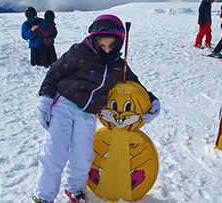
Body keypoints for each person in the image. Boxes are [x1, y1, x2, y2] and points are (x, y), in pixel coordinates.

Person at [32, 14, 161, 203]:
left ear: (119, 43)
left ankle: (75, 188)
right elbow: (55, 71)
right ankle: (44, 196)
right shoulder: (80, 52)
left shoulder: (118, 66)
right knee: (54, 151)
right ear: (94, 39)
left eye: (111, 46)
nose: (107, 50)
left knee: (83, 155)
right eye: (102, 45)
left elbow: (136, 85)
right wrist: (45, 99)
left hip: (88, 112)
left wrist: (152, 101)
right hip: (64, 104)